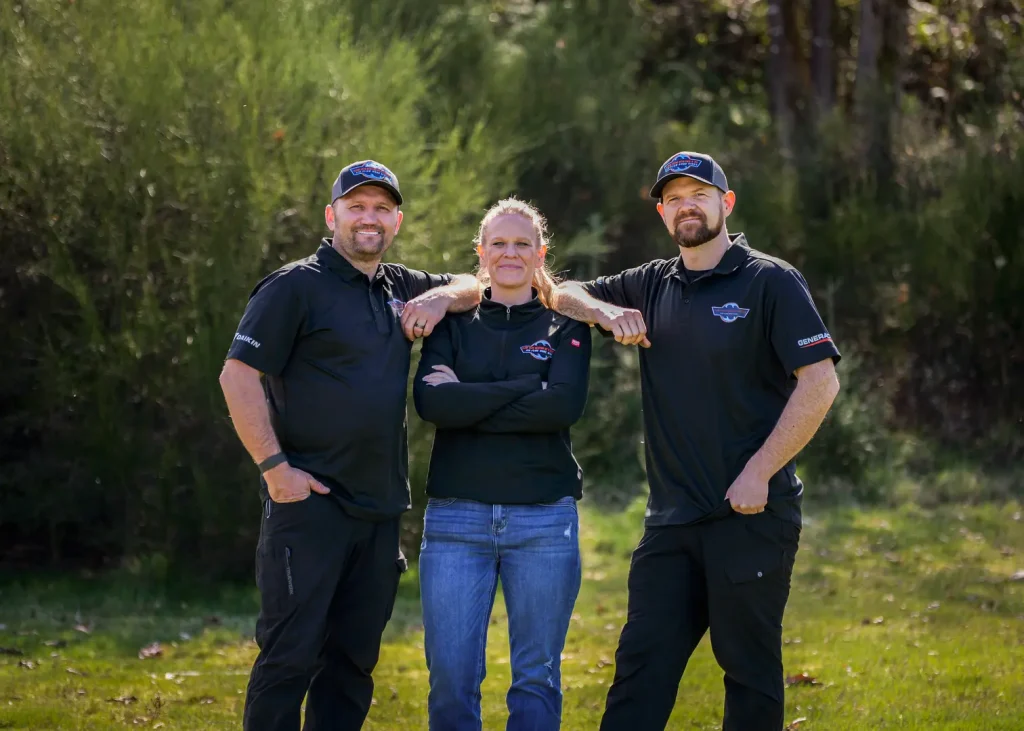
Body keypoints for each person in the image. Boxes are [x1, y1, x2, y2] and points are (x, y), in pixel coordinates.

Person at [551, 152, 842, 731]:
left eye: (699, 194)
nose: (687, 205)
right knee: (640, 669)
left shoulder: (770, 281)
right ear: (663, 213)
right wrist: (606, 312)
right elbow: (562, 292)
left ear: (725, 204)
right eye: (674, 197)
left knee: (750, 674)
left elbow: (820, 382)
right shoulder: (651, 283)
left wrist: (760, 470)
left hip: (752, 515)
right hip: (671, 523)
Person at [218, 159, 482, 731]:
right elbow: (237, 375)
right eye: (357, 206)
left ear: (397, 220)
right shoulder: (295, 287)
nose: (370, 218)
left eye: (382, 208)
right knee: (290, 659)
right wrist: (274, 468)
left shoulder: (398, 285)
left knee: (352, 666)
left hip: (379, 511)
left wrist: (439, 300)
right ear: (331, 215)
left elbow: (473, 285)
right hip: (307, 505)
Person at [412, 197, 592, 731]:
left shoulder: (566, 325)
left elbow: (562, 407)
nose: (509, 253)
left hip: (543, 521)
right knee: (450, 680)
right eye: (498, 243)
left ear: (540, 254)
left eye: (521, 244)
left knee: (536, 677)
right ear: (480, 253)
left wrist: (470, 397)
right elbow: (432, 405)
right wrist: (522, 389)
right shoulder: (451, 323)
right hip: (454, 521)